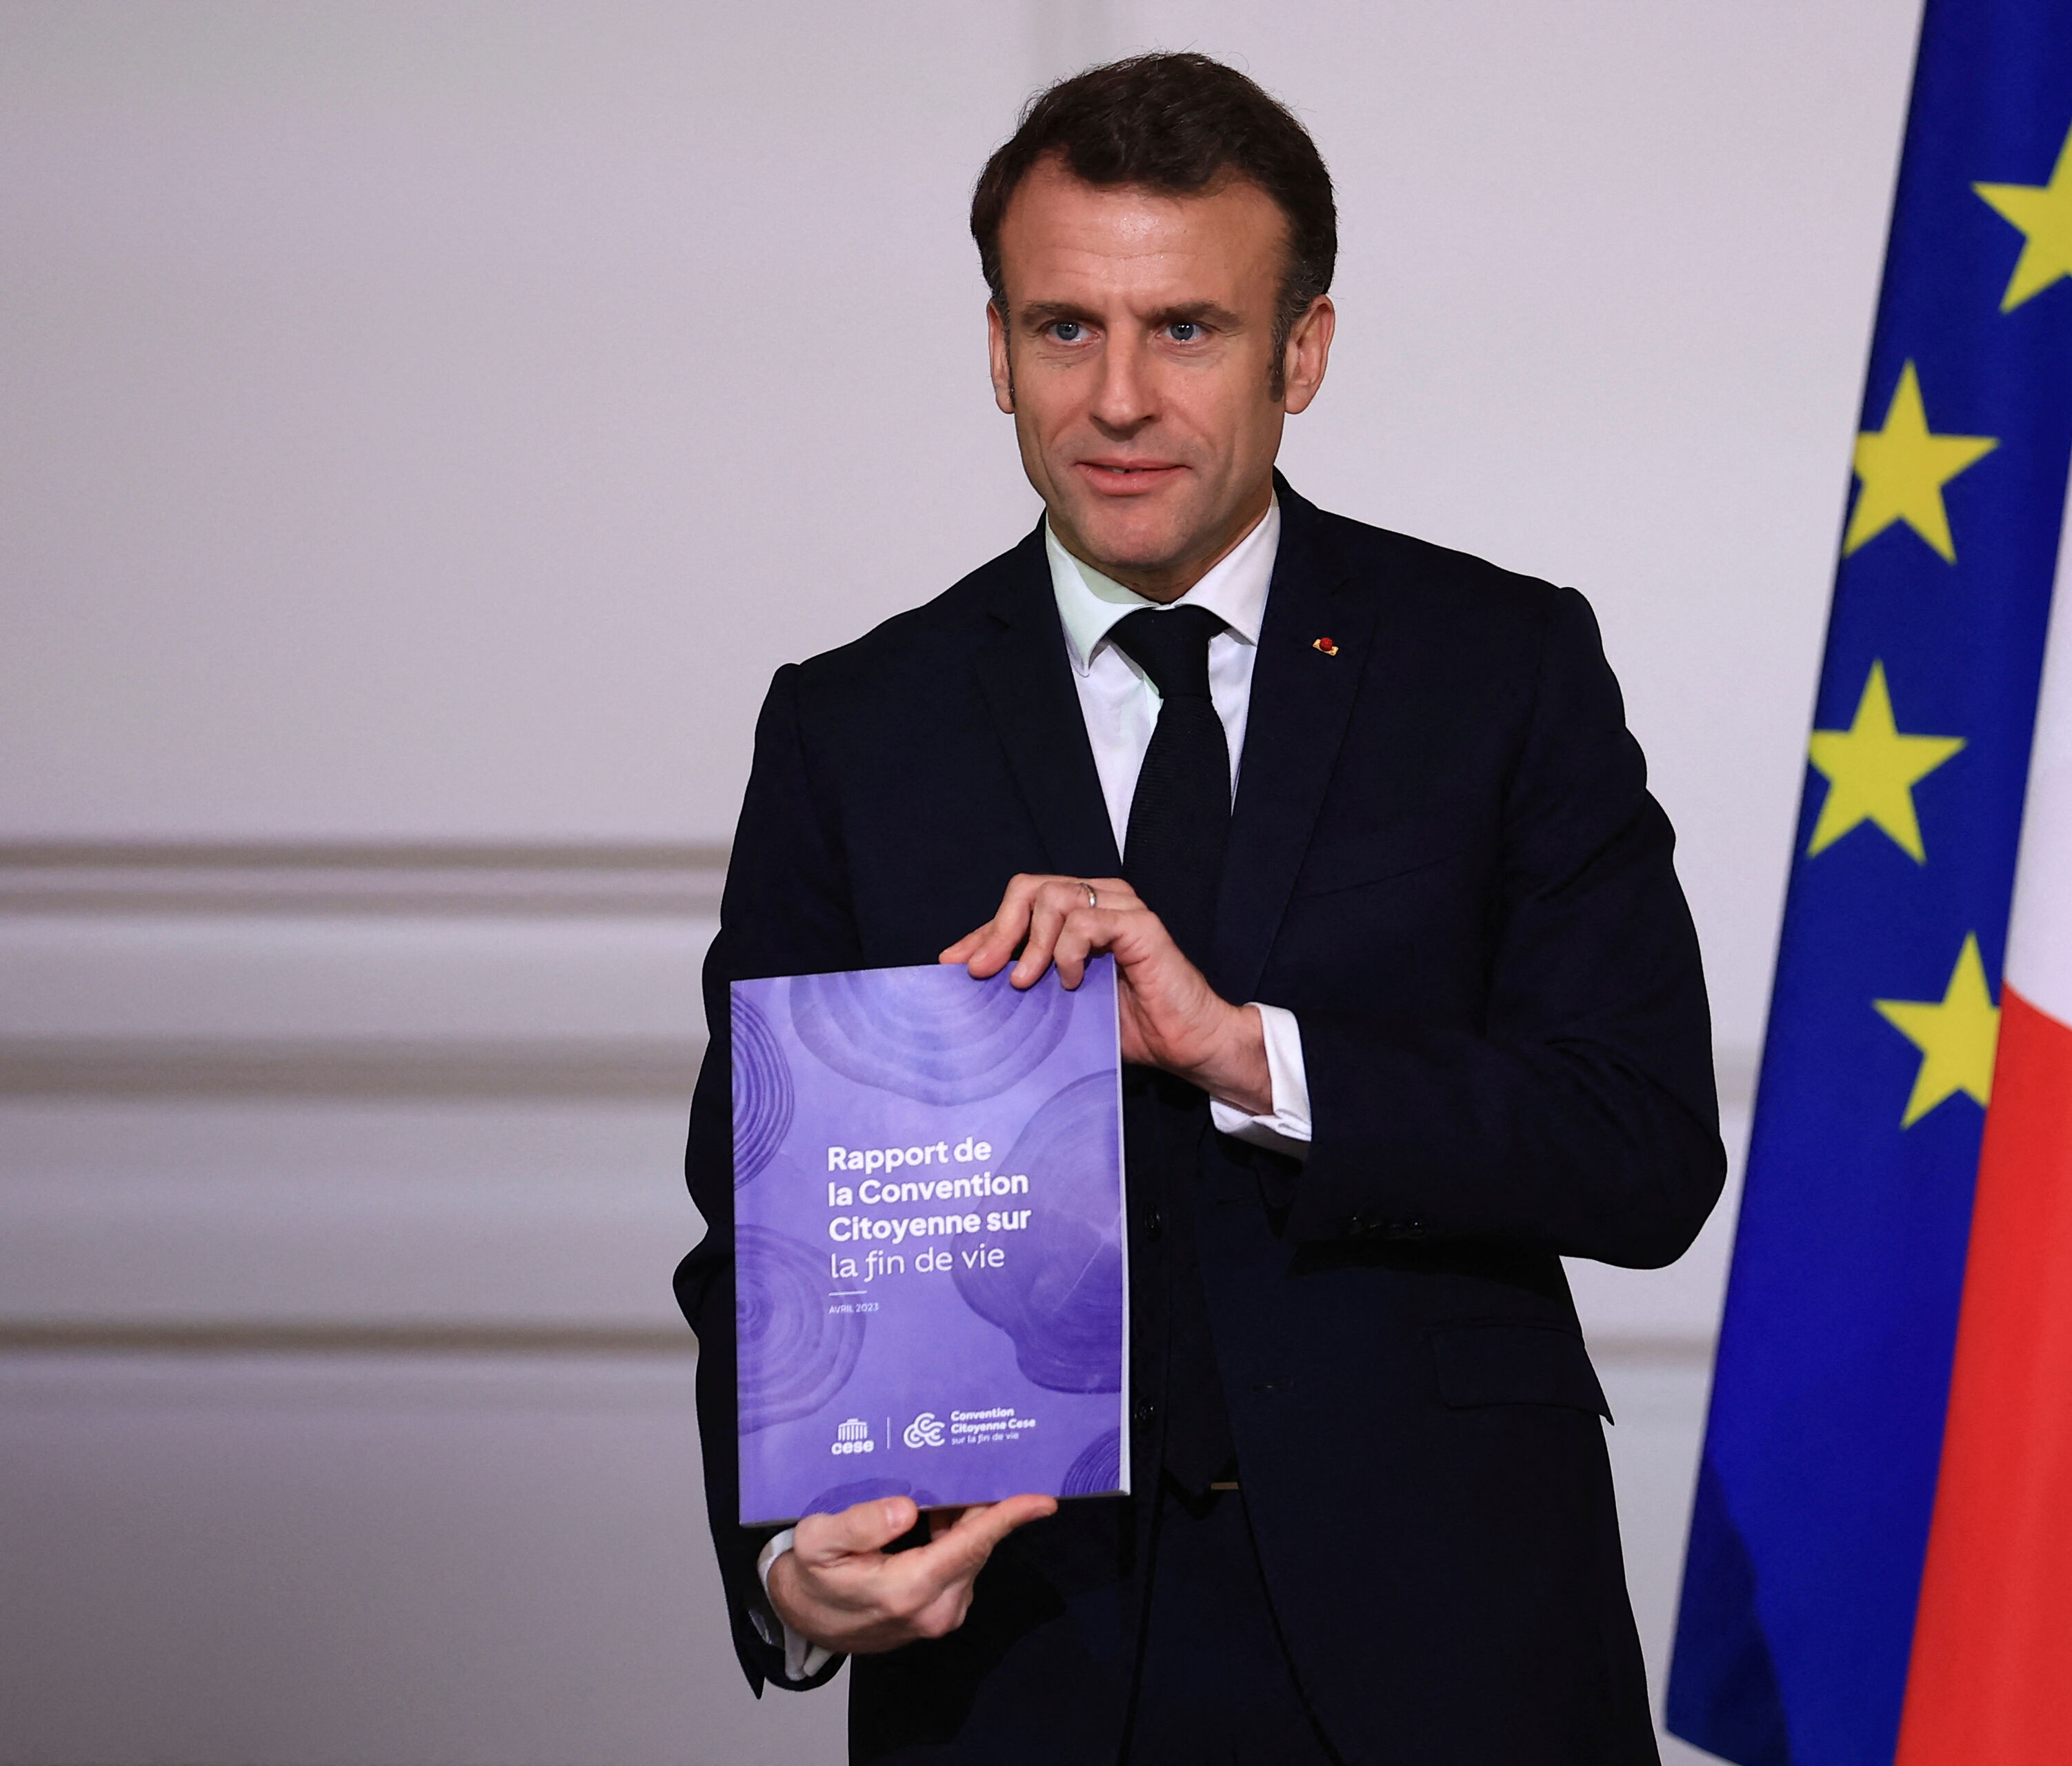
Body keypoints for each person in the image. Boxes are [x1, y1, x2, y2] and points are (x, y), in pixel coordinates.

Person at [675, 50, 1724, 1765]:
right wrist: (790, 1560)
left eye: (1186, 329)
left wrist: (1249, 1054)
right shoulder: (852, 726)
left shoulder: (1499, 667)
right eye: (1063, 327)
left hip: (1448, 1652)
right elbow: (756, 1220)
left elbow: (1643, 1144)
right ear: (996, 349)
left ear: (1301, 351)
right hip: (1015, 1671)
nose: (1117, 398)